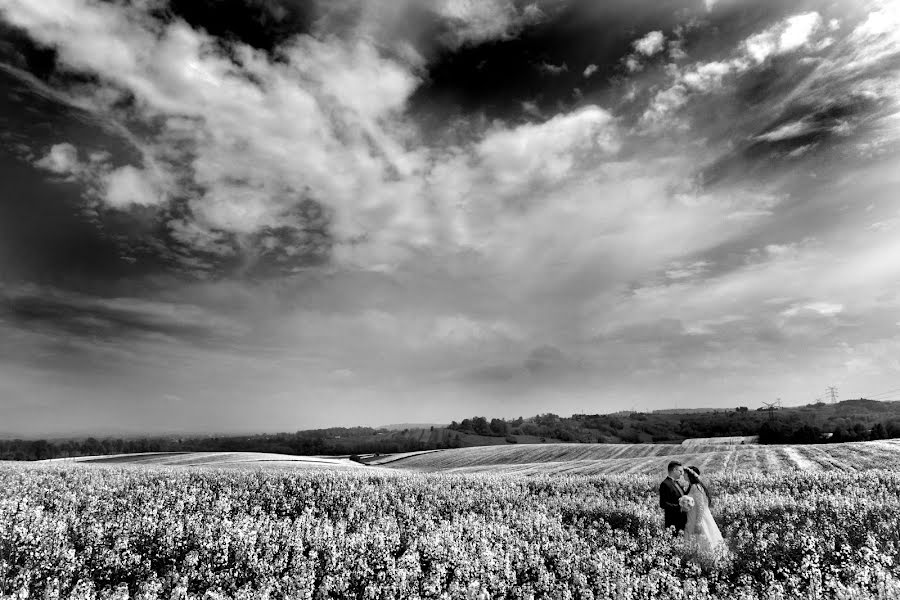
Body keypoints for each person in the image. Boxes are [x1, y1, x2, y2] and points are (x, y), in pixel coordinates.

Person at [683, 466, 727, 558]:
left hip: (699, 518)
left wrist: (698, 523)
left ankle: (707, 560)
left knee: (703, 538)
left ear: (690, 475)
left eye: (685, 473)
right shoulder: (691, 486)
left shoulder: (696, 487)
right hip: (692, 516)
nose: (683, 475)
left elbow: (701, 505)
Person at [659, 461, 687, 535]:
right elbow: (663, 504)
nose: (681, 474)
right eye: (680, 471)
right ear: (674, 470)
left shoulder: (677, 483)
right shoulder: (665, 484)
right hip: (673, 522)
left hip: (682, 520)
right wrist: (679, 507)